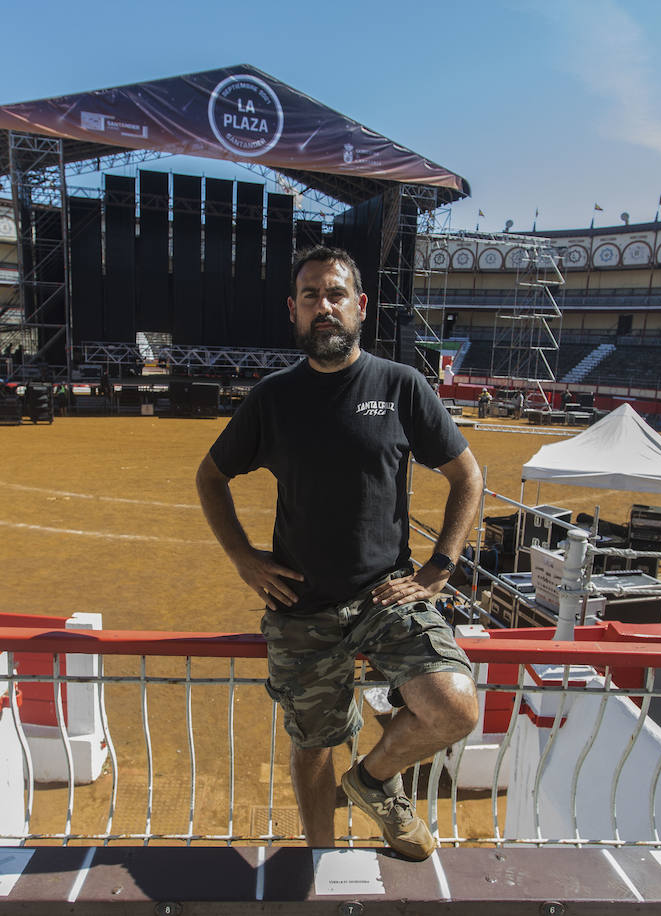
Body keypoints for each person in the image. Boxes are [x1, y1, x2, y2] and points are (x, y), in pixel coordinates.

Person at [195, 246, 482, 861]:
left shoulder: (400, 386)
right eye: (309, 297)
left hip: (387, 596)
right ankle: (322, 861)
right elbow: (210, 477)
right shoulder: (273, 399)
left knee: (454, 706)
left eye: (334, 295)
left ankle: (376, 783)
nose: (322, 307)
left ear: (360, 306)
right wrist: (244, 557)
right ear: (292, 312)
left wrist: (439, 568)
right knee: (314, 743)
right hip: (302, 608)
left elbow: (468, 478)